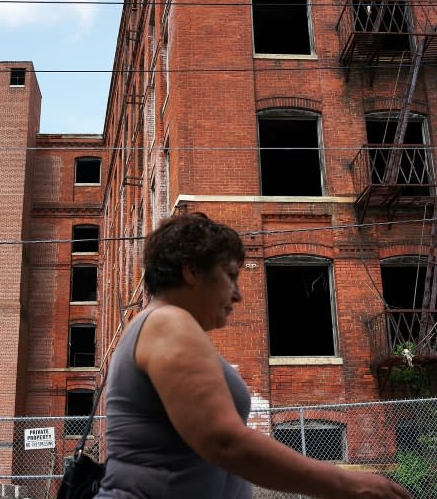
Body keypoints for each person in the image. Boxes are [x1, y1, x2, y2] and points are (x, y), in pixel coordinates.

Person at [94, 212, 412, 499]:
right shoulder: (167, 323)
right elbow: (225, 443)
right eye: (229, 275)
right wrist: (349, 485)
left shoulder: (161, 325)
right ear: (191, 271)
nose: (237, 293)